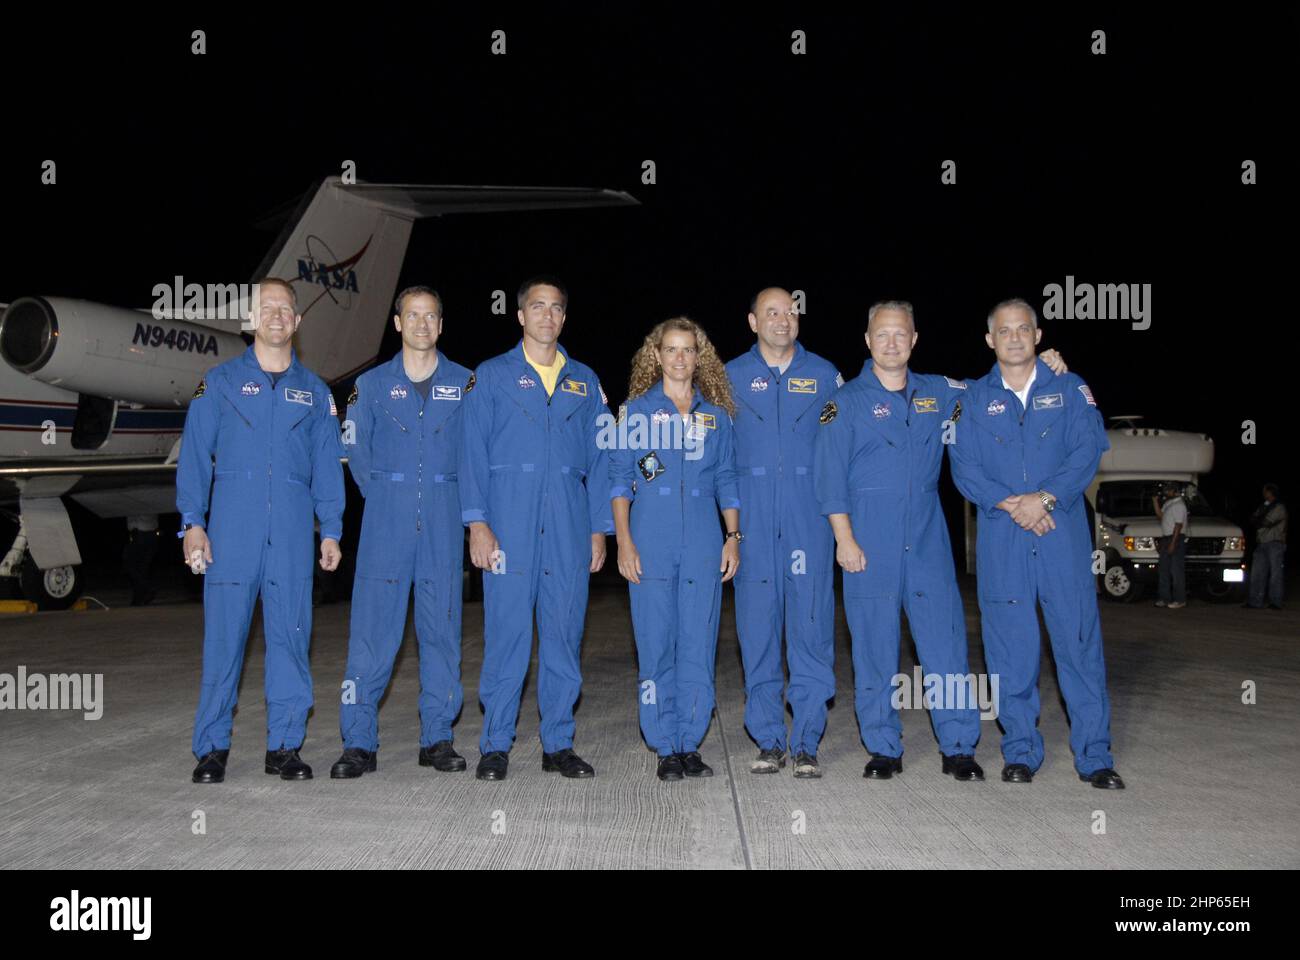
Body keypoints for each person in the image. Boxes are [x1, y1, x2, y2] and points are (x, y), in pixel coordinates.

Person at [949, 298, 1123, 789]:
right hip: (1004, 539)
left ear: (1039, 335)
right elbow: (965, 469)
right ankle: (1020, 750)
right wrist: (1015, 505)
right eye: (1004, 331)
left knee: (1079, 646)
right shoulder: (973, 399)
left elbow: (1086, 451)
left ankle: (1095, 756)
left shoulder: (1070, 389)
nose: (1014, 337)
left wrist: (1045, 499)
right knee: (1010, 651)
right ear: (990, 340)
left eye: (1023, 328)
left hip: (1060, 536)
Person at [178, 278, 344, 784]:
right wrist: (193, 524)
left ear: (297, 320)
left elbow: (327, 468)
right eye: (266, 308)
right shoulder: (220, 382)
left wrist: (331, 529)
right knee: (224, 644)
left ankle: (285, 747)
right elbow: (194, 458)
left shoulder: (315, 393)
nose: (276, 316)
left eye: (285, 309)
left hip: (292, 538)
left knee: (292, 641)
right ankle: (212, 749)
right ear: (252, 320)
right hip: (230, 537)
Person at [459, 276, 612, 781]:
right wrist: (477, 524)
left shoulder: (585, 382)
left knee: (565, 635)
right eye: (537, 306)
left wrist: (598, 529)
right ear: (520, 315)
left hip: (568, 524)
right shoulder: (491, 376)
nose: (547, 315)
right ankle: (496, 744)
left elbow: (602, 459)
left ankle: (558, 744)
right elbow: (472, 455)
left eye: (556, 308)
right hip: (508, 522)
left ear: (564, 318)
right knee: (507, 634)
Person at [330, 286, 474, 779]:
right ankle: (358, 742)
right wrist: (390, 494)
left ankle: (437, 736)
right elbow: (355, 451)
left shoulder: (467, 383)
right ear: (397, 324)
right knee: (371, 634)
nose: (421, 324)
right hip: (385, 523)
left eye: (430, 316)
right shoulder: (369, 386)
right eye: (412, 316)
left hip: (444, 519)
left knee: (441, 632)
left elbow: (476, 454)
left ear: (441, 325)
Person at [612, 318, 741, 781]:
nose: (680, 358)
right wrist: (624, 541)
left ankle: (690, 741)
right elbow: (620, 480)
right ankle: (664, 743)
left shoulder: (717, 416)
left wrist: (733, 537)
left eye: (689, 350)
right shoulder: (636, 412)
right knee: (655, 643)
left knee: (698, 643)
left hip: (705, 539)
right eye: (671, 350)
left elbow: (727, 478)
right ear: (657, 356)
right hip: (651, 534)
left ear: (698, 357)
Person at [724, 288, 841, 778]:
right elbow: (712, 451)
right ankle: (769, 739)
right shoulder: (728, 377)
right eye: (771, 312)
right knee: (757, 633)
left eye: (789, 311)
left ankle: (808, 740)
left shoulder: (825, 375)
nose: (782, 319)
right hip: (750, 522)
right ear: (753, 321)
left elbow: (842, 447)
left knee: (811, 631)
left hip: (808, 522)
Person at [1246, 483, 1287, 609]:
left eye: (1265, 491)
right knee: (1257, 574)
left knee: (1275, 574)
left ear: (1270, 492)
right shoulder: (1264, 506)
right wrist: (1258, 519)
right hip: (1262, 542)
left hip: (1275, 543)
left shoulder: (1279, 508)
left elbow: (1266, 522)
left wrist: (1258, 519)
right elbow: (1253, 520)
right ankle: (1255, 601)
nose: (1263, 494)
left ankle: (1276, 602)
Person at [1152, 481, 1188, 609]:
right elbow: (1160, 516)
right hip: (1166, 537)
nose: (1165, 493)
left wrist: (1173, 543)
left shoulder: (1179, 505)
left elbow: (1178, 526)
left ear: (1175, 491)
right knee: (1164, 570)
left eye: (1168, 491)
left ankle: (1180, 599)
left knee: (1176, 571)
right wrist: (1155, 501)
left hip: (1175, 538)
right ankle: (1164, 598)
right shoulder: (1169, 503)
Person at [123, 514, 159, 606]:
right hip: (150, 531)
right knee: (142, 567)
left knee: (131, 564)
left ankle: (146, 589)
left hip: (140, 532)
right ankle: (139, 597)